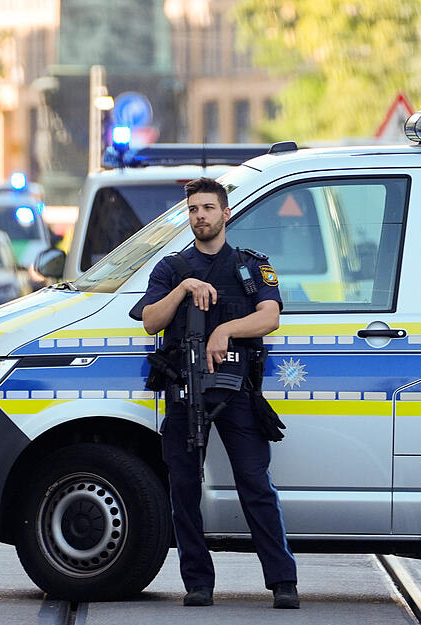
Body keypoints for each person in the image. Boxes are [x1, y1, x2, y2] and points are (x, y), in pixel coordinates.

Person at [133, 177, 299, 609]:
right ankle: (198, 583)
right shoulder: (171, 268)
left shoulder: (249, 265)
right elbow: (151, 321)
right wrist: (184, 289)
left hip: (236, 390)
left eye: (208, 208)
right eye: (193, 209)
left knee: (255, 484)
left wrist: (224, 330)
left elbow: (270, 317)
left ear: (226, 214)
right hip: (185, 391)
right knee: (184, 489)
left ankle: (283, 581)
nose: (200, 216)